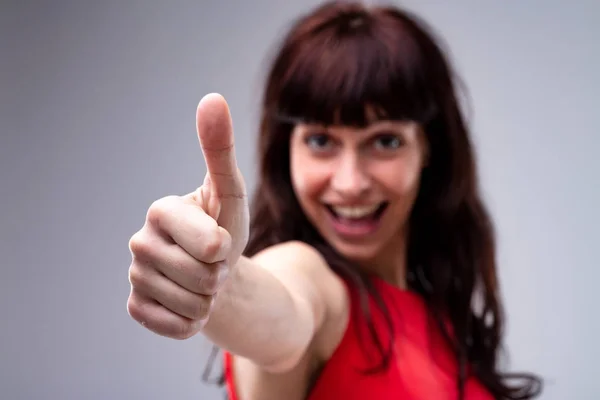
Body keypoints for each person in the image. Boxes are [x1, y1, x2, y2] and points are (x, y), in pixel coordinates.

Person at [126, 1, 543, 399]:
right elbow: (282, 312)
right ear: (285, 151)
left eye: (385, 141)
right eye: (321, 140)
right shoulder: (313, 282)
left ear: (429, 149)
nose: (350, 182)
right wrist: (216, 280)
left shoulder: (445, 323)